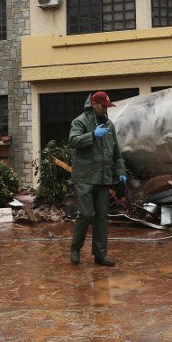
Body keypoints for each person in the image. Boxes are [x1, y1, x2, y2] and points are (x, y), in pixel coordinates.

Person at [68, 91, 127, 267]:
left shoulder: (110, 125)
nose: (106, 110)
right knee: (86, 214)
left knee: (102, 217)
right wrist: (92, 135)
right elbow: (73, 141)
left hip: (103, 177)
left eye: (107, 107)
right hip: (85, 177)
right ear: (94, 104)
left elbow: (116, 151)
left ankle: (100, 255)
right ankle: (75, 248)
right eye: (103, 106)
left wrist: (121, 172)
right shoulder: (80, 121)